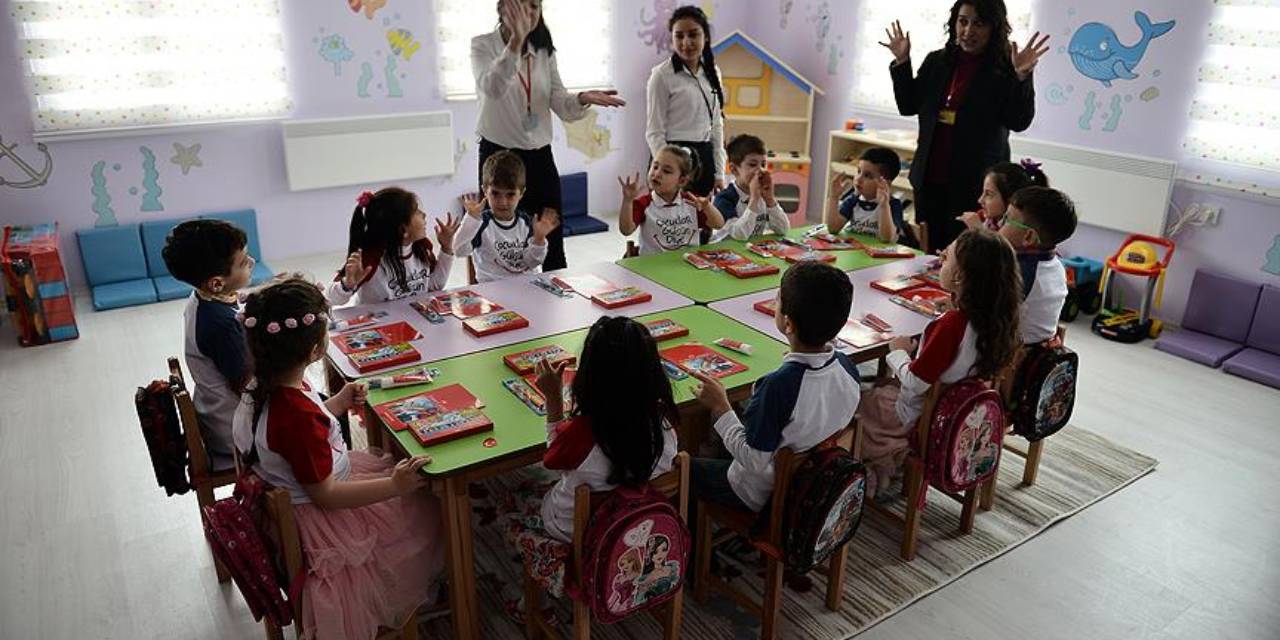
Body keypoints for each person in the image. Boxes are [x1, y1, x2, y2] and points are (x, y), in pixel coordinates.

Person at [233, 277, 444, 640]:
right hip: (323, 516)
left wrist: (336, 403)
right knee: (424, 510)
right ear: (316, 349)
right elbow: (326, 494)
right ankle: (409, 592)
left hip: (303, 488)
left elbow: (286, 441)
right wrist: (394, 485)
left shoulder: (262, 387)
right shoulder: (295, 417)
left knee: (402, 488)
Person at [498, 316, 680, 598]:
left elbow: (552, 460)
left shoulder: (582, 434)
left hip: (577, 532)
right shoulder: (665, 426)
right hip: (641, 528)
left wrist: (553, 399)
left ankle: (533, 601)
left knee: (507, 501)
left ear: (590, 378)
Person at [855, 229, 1022, 496]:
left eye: (947, 258)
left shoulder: (951, 325)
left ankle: (876, 466)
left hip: (918, 417)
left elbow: (915, 383)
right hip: (956, 414)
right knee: (882, 387)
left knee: (858, 401)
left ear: (959, 277)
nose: (942, 258)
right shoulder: (995, 321)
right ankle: (887, 463)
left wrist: (898, 352)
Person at [690, 262, 861, 515]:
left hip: (763, 493)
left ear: (788, 324)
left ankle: (688, 536)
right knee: (731, 434)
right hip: (813, 481)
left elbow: (754, 461)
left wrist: (721, 407)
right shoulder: (848, 367)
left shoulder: (778, 386)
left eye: (778, 299)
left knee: (683, 468)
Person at [882, 0, 1050, 252]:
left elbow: (1019, 121)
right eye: (963, 21)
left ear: (994, 28)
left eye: (978, 24)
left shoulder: (1006, 67)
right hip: (929, 178)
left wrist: (1021, 77)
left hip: (976, 185)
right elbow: (908, 105)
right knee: (929, 252)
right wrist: (903, 62)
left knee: (968, 254)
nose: (968, 31)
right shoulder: (937, 61)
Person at [472, 0, 626, 271]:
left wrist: (581, 98)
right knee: (499, 238)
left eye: (534, 6)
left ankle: (557, 293)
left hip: (539, 156)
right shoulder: (482, 45)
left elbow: (559, 101)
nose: (528, 13)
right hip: (499, 155)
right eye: (520, 5)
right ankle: (500, 291)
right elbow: (493, 88)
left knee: (551, 236)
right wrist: (516, 42)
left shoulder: (543, 50)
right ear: (502, 7)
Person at [162, 219, 255, 467]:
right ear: (216, 282)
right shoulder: (222, 325)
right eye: (243, 263)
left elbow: (237, 301)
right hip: (236, 433)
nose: (252, 262)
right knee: (322, 411)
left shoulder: (202, 299)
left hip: (215, 415)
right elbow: (249, 385)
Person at [325, 187, 460, 306]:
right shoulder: (369, 259)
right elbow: (328, 299)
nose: (424, 215)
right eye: (416, 212)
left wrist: (446, 248)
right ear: (403, 230)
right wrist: (347, 285)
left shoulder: (421, 248)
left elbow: (434, 286)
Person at [645, 5, 727, 197]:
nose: (686, 42)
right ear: (672, 39)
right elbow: (654, 132)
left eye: (693, 34)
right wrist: (667, 170)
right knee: (667, 215)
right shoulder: (661, 75)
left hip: (704, 157)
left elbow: (716, 126)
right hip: (672, 156)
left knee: (701, 214)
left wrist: (719, 172)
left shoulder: (713, 72)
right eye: (679, 36)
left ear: (705, 37)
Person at [454, 151, 557, 282]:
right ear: (485, 191)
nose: (503, 202)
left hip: (526, 285)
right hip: (492, 287)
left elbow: (532, 263)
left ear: (521, 193)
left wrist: (539, 239)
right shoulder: (481, 223)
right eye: (495, 193)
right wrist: (471, 219)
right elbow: (459, 251)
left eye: (510, 195)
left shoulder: (527, 223)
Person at [998, 186, 1077, 344]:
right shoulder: (1056, 265)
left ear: (1028, 237)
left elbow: (983, 313)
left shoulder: (1017, 272)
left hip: (1013, 352)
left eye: (1007, 219)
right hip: (1038, 347)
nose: (1000, 222)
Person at [618, 144, 725, 255]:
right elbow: (626, 230)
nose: (657, 174)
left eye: (666, 171)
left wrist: (707, 207)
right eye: (655, 167)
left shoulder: (692, 202)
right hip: (652, 263)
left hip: (686, 261)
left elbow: (719, 224)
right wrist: (627, 201)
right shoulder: (643, 203)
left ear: (681, 181)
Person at [823, 146, 911, 244]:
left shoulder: (893, 205)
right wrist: (834, 197)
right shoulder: (853, 199)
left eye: (867, 176)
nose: (858, 179)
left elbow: (886, 238)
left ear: (885, 183)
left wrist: (884, 206)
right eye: (858, 171)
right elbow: (833, 229)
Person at [711, 134, 790, 242]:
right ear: (734, 169)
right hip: (726, 249)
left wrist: (770, 200)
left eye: (763, 164)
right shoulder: (725, 198)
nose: (760, 170)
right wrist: (754, 200)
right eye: (752, 165)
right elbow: (739, 235)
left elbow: (783, 229)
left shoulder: (762, 195)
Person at [958, 158, 1050, 232]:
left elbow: (998, 249)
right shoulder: (983, 217)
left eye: (989, 194)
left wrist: (978, 230)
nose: (980, 200)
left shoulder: (1017, 233)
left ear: (1011, 200)